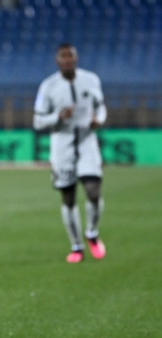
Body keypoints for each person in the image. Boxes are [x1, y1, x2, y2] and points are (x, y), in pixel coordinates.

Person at [33, 43, 107, 263]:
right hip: (62, 146)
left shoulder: (91, 80)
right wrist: (58, 116)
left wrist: (99, 120)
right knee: (68, 197)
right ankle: (76, 246)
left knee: (93, 190)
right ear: (57, 60)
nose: (67, 60)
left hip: (87, 142)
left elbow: (101, 106)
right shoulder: (48, 86)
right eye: (63, 57)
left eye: (70, 56)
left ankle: (92, 232)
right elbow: (37, 121)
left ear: (76, 58)